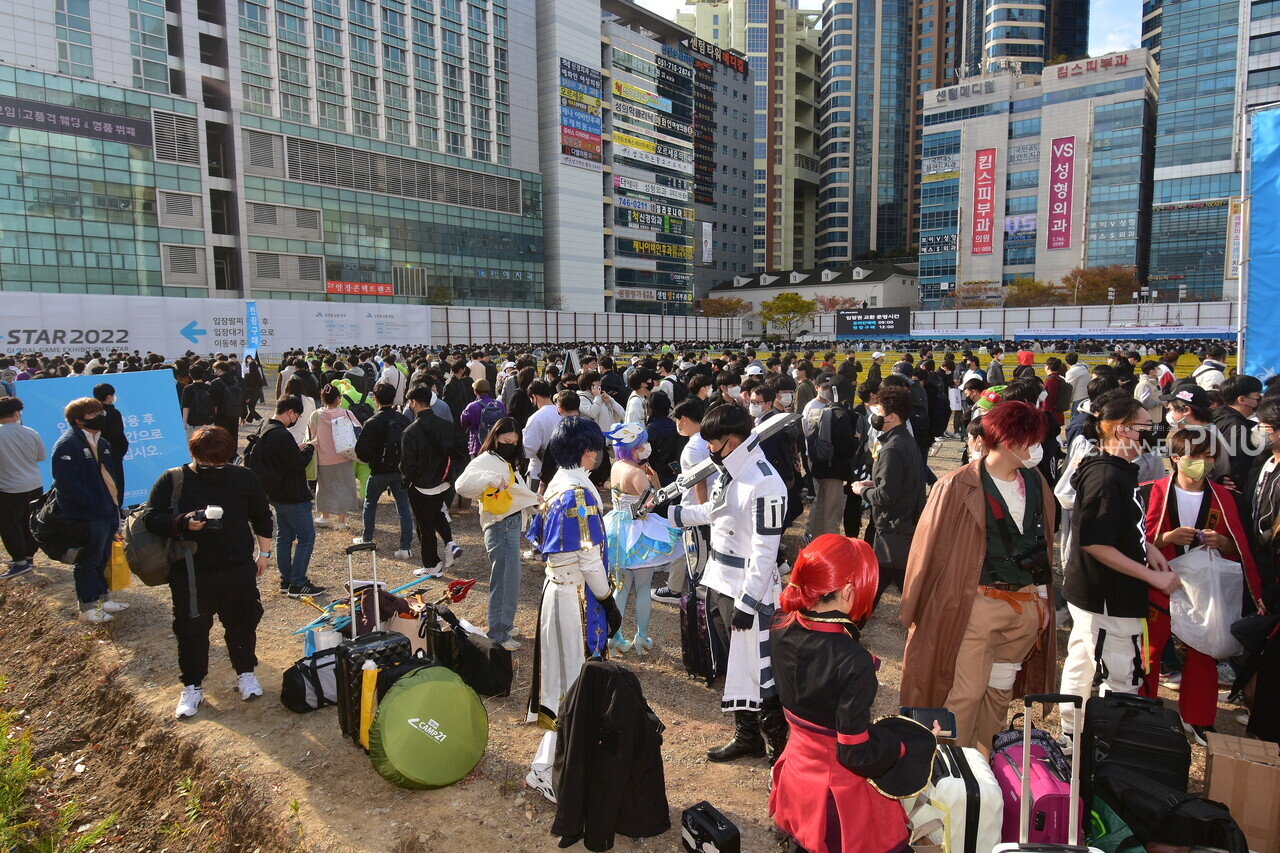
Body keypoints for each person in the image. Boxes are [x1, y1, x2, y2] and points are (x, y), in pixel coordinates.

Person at [900, 401, 1059, 751]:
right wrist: (917, 611)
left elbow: (1040, 546)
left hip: (1024, 605)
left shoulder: (1036, 482)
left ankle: (986, 765)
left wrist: (1044, 601)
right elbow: (927, 551)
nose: (1038, 448)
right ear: (1008, 440)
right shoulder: (957, 486)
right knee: (966, 692)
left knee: (1000, 692)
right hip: (977, 602)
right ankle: (953, 771)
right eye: (1033, 439)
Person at [770, 535, 937, 853]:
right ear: (848, 591)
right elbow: (854, 752)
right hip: (838, 795)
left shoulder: (780, 625)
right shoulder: (853, 661)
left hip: (796, 774)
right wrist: (903, 745)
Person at [666, 403, 790, 764]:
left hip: (748, 591)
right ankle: (747, 737)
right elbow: (714, 511)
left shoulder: (765, 481)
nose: (708, 449)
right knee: (736, 664)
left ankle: (780, 750)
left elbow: (765, 551)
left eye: (713, 442)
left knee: (759, 669)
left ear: (732, 442)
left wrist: (749, 603)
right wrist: (671, 514)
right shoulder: (729, 470)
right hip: (719, 582)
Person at [1057, 394, 1180, 744]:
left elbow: (1119, 527)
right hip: (1107, 595)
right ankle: (1104, 743)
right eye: (1145, 427)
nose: (1152, 433)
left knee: (1082, 660)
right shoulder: (1107, 476)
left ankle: (1074, 733)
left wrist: (1148, 547)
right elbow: (1096, 541)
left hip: (1097, 591)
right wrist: (1151, 576)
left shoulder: (1113, 469)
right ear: (1124, 431)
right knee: (1120, 674)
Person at [1141, 427, 1265, 745]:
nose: (1204, 462)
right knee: (1149, 651)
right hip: (1160, 584)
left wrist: (1224, 542)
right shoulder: (1149, 492)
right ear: (1176, 458)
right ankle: (1142, 712)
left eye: (1209, 456)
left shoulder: (1229, 500)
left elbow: (1244, 548)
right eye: (1195, 456)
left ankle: (1198, 718)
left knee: (1204, 653)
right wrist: (1165, 539)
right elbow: (1134, 543)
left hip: (1205, 590)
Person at [523, 416, 622, 803]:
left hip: (557, 590)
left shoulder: (555, 486)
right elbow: (590, 559)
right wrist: (608, 600)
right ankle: (551, 768)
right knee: (575, 680)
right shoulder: (578, 494)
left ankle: (557, 762)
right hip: (576, 598)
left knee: (561, 677)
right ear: (587, 451)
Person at [142, 426, 273, 719]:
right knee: (191, 630)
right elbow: (151, 517)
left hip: (237, 567)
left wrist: (264, 554)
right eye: (205, 463)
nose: (213, 468)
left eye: (220, 462)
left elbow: (262, 515)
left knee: (242, 623)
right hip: (191, 572)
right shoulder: (174, 479)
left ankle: (246, 673)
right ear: (193, 454)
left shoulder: (243, 477)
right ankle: (192, 685)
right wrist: (182, 522)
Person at [455, 417, 540, 651]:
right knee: (504, 579)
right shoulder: (487, 460)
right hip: (500, 526)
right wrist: (491, 479)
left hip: (509, 524)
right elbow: (462, 485)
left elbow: (516, 491)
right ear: (495, 438)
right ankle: (498, 633)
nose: (510, 445)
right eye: (505, 440)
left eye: (514, 442)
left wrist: (534, 500)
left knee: (511, 578)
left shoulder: (502, 460)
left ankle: (505, 624)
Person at [603, 422, 683, 654]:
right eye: (642, 444)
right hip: (638, 531)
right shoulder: (637, 473)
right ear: (633, 448)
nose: (647, 447)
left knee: (621, 587)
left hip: (617, 528)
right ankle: (642, 637)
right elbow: (653, 501)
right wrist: (654, 480)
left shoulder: (617, 466)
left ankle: (615, 636)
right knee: (643, 586)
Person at [850, 385, 926, 603]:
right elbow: (900, 480)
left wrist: (862, 490)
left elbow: (885, 496)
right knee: (899, 587)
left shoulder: (892, 447)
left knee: (871, 590)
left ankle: (850, 630)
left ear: (891, 417)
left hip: (893, 529)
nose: (875, 414)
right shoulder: (905, 439)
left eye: (879, 410)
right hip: (904, 525)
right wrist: (875, 482)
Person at [51, 397, 124, 622]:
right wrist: (92, 504)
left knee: (102, 556)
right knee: (88, 560)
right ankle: (88, 606)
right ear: (78, 420)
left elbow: (111, 477)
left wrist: (114, 506)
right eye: (93, 414)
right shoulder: (68, 444)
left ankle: (103, 597)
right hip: (88, 514)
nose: (99, 417)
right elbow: (66, 485)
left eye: (99, 412)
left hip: (108, 510)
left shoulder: (102, 442)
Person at [249, 397, 323, 597]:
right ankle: (298, 582)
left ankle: (286, 579)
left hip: (275, 493)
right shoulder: (281, 434)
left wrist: (297, 447)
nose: (296, 419)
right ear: (290, 412)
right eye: (296, 416)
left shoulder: (265, 427)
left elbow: (282, 456)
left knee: (285, 536)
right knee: (306, 537)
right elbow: (298, 463)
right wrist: (309, 447)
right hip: (292, 494)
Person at [400, 385, 464, 578]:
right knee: (437, 513)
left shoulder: (410, 431)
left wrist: (406, 483)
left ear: (413, 403)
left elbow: (407, 464)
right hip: (443, 481)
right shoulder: (446, 425)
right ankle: (450, 543)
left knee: (424, 525)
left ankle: (432, 565)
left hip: (421, 485)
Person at [353, 382, 415, 560]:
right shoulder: (403, 419)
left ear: (375, 399)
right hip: (399, 470)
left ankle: (367, 538)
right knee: (403, 507)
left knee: (370, 504)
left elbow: (361, 452)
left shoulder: (372, 422)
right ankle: (405, 546)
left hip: (379, 471)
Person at [0, 397, 45, 579]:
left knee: (9, 525)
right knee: (29, 521)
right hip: (34, 484)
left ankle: (19, 562)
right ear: (16, 413)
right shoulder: (30, 432)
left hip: (8, 488)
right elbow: (41, 456)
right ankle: (28, 556)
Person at [307, 385, 361, 528]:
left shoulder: (316, 415)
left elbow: (311, 434)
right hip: (344, 456)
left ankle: (324, 517)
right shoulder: (346, 413)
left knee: (324, 487)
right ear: (338, 399)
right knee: (344, 487)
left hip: (323, 458)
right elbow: (358, 429)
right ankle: (341, 521)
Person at [92, 383, 129, 496]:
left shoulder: (91, 413)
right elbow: (118, 435)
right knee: (116, 485)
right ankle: (117, 511)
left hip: (96, 455)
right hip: (114, 454)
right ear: (108, 397)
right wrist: (121, 450)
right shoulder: (114, 413)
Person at [460, 379, 507, 457]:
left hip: (478, 446)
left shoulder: (472, 407)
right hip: (496, 444)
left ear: (475, 391)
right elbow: (505, 421)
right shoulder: (499, 405)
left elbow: (463, 422)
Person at [243, 355, 267, 423]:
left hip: (250, 393)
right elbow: (261, 384)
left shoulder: (247, 376)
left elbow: (246, 386)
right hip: (257, 393)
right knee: (252, 407)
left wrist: (246, 396)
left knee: (251, 409)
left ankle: (259, 418)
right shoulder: (258, 376)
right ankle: (249, 420)